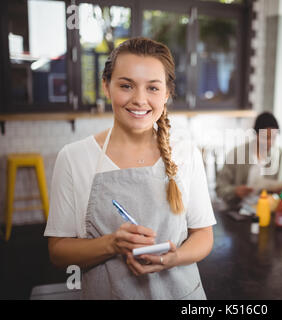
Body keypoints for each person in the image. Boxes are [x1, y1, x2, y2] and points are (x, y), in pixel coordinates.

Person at [44, 38, 216, 299]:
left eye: (153, 88)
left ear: (167, 93)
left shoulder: (186, 153)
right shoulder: (74, 158)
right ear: (106, 87)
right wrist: (112, 244)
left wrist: (174, 257)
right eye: (126, 85)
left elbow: (203, 234)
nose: (139, 99)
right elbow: (58, 253)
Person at [215, 112, 282, 209]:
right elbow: (219, 189)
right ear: (256, 134)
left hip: (268, 212)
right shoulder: (236, 154)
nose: (270, 143)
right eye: (266, 138)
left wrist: (281, 194)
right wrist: (235, 192)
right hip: (237, 212)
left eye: (273, 138)